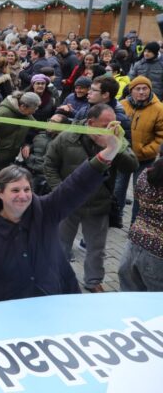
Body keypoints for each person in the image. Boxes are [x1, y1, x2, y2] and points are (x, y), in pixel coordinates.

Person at [0, 120, 125, 305]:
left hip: (53, 299)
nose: (23, 196)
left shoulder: (45, 210)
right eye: (15, 190)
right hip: (8, 307)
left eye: (27, 189)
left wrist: (110, 150)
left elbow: (75, 186)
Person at [44, 104, 138, 293]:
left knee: (96, 248)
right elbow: (50, 165)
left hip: (98, 204)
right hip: (68, 204)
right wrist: (60, 192)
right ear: (90, 123)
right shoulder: (67, 137)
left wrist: (115, 146)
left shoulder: (116, 139)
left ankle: (93, 281)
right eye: (105, 125)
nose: (110, 129)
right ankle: (56, 277)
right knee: (60, 244)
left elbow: (132, 166)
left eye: (113, 124)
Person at [0, 91, 40, 207]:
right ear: (23, 106)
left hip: (8, 160)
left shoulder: (26, 114)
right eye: (34, 108)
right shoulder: (3, 112)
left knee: (3, 189)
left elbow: (36, 128)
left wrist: (27, 144)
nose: (35, 111)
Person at [118, 76, 163, 224]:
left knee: (140, 192)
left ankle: (135, 223)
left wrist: (147, 150)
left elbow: (160, 136)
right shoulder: (122, 104)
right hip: (123, 156)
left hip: (144, 158)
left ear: (150, 90)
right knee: (118, 189)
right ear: (131, 91)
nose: (142, 92)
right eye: (138, 89)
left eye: (145, 88)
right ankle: (115, 217)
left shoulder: (159, 109)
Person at [118, 154, 163, 291]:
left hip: (134, 242)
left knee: (129, 298)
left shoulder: (144, 175)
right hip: (157, 253)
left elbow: (137, 197)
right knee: (155, 305)